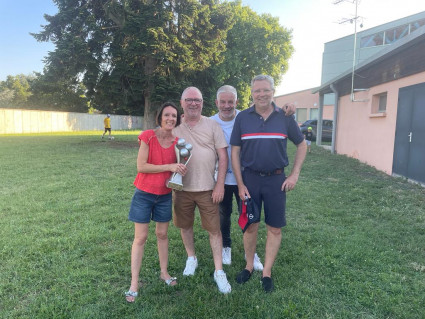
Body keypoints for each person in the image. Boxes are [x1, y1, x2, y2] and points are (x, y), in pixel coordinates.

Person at [230, 75, 307, 293]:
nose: (262, 94)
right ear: (251, 93)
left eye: (266, 90)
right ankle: (248, 266)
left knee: (274, 228)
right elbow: (235, 151)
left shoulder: (285, 117)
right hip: (250, 180)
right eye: (257, 91)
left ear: (273, 91)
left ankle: (267, 272)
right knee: (250, 225)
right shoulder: (243, 117)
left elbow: (301, 145)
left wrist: (294, 175)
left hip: (276, 181)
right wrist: (240, 183)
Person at [210, 85, 296, 268]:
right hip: (222, 178)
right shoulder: (209, 122)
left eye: (230, 102)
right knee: (224, 214)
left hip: (247, 178)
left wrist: (286, 106)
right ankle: (226, 245)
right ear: (216, 103)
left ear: (236, 102)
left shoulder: (245, 116)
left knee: (251, 216)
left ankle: (252, 253)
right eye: (223, 102)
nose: (226, 105)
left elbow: (267, 109)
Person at [125, 102, 188, 303]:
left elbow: (179, 165)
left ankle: (164, 273)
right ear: (160, 117)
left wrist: (179, 169)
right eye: (167, 115)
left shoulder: (179, 143)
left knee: (162, 235)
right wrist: (169, 165)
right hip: (143, 194)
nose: (171, 118)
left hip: (164, 195)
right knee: (140, 238)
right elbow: (141, 166)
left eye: (174, 116)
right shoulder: (148, 136)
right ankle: (134, 283)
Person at [172, 87, 231, 294]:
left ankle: (219, 271)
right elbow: (158, 138)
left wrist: (220, 184)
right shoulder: (174, 126)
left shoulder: (212, 125)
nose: (193, 103)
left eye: (197, 100)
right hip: (181, 189)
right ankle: (191, 258)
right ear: (182, 102)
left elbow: (223, 157)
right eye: (189, 100)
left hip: (208, 189)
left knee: (214, 230)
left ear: (203, 102)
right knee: (185, 225)